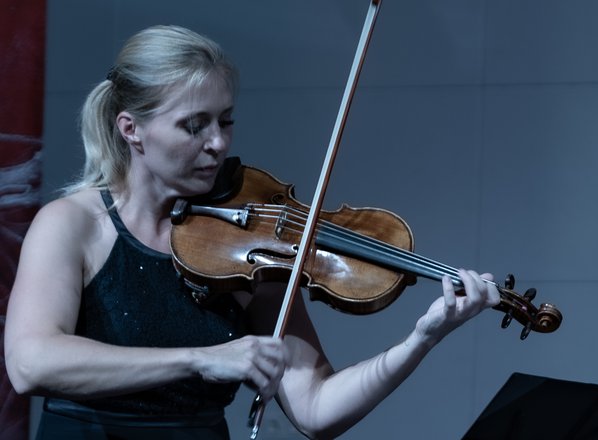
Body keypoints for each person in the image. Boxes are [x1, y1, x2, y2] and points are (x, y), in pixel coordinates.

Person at [3, 25, 500, 439]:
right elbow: (32, 363)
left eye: (225, 120)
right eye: (193, 126)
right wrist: (201, 359)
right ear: (131, 129)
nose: (217, 143)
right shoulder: (73, 223)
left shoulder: (255, 244)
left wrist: (421, 339)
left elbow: (316, 408)